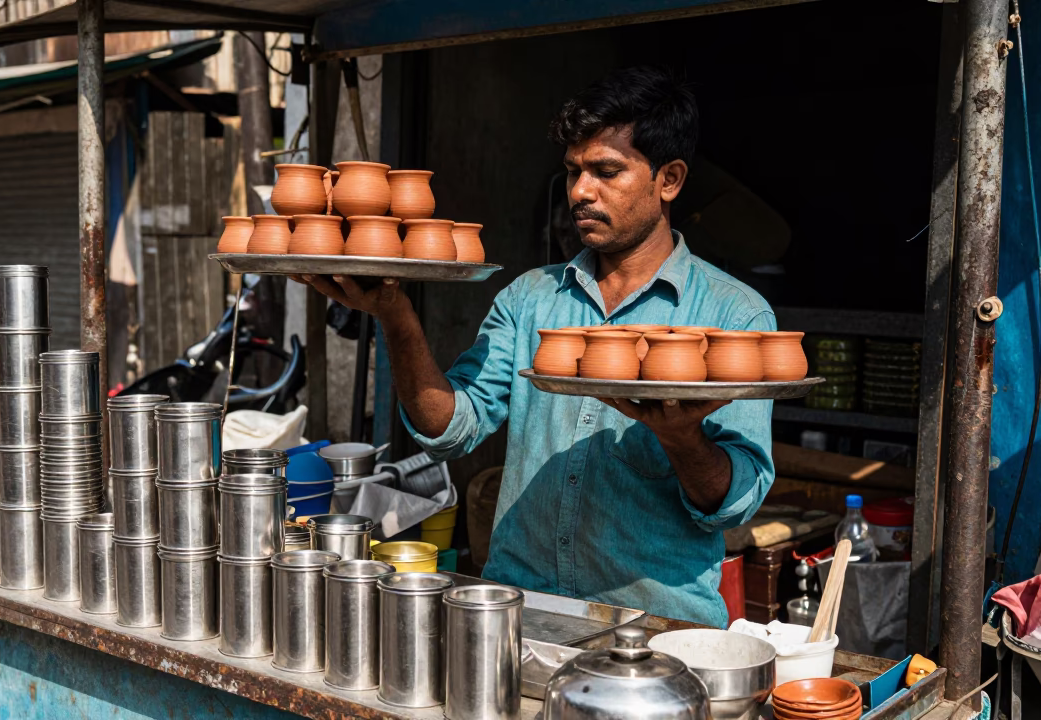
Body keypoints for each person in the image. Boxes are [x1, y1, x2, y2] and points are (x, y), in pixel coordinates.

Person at [294, 66, 775, 627]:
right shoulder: (531, 298)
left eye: (606, 171)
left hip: (655, 629)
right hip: (518, 612)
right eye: (573, 171)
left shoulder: (734, 316)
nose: (580, 191)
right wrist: (396, 317)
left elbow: (734, 502)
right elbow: (449, 429)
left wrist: (681, 437)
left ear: (668, 180)